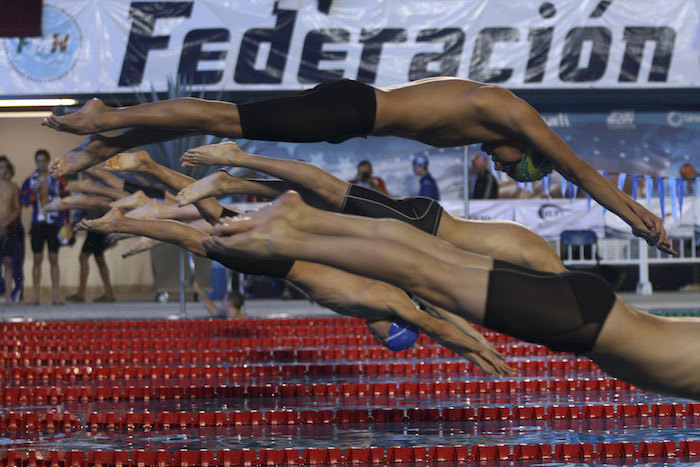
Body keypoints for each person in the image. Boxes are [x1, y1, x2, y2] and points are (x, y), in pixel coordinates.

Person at [42, 77, 673, 254]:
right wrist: (638, 215)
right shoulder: (516, 117)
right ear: (529, 147)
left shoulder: (499, 123)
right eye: (512, 162)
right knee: (227, 117)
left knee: (226, 118)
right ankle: (105, 116)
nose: (493, 158)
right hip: (352, 107)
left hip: (350, 114)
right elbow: (582, 170)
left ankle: (105, 137)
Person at [208, 190, 700, 401]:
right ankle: (293, 235)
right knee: (424, 273)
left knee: (428, 263)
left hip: (590, 312)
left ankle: (307, 220)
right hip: (586, 322)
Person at [84, 150, 513, 375]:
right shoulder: (387, 300)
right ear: (394, 327)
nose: (377, 339)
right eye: (385, 339)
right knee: (208, 232)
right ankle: (137, 203)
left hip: (291, 255)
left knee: (212, 226)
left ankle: (148, 185)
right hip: (284, 260)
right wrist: (475, 350)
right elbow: (436, 322)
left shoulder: (385, 290)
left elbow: (439, 308)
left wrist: (476, 338)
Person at [177, 142, 565, 272]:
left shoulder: (535, 251)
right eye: (509, 164)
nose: (498, 166)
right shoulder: (543, 260)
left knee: (319, 199)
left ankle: (231, 181)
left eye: (507, 167)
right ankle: (238, 156)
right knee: (329, 189)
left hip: (421, 225)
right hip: (420, 224)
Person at [20, 149, 69, 305]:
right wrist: (34, 191)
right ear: (36, 162)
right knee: (37, 258)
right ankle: (36, 296)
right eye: (38, 161)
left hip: (54, 222)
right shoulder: (31, 180)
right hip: (38, 223)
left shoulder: (58, 179)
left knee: (54, 258)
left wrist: (67, 222)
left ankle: (56, 295)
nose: (41, 164)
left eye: (43, 161)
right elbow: (25, 201)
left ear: (48, 161)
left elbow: (66, 201)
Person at [0, 155, 20, 303]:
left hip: (9, 227)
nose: (3, 171)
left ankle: (8, 296)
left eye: (5, 168)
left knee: (8, 261)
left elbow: (17, 209)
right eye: (0, 168)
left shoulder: (13, 187)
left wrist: (6, 223)